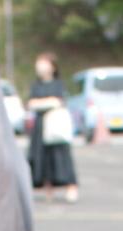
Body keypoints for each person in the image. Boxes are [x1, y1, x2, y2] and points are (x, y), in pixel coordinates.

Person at [26, 54, 78, 203]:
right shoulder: (36, 85)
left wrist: (42, 103)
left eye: (43, 63)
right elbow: (31, 103)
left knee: (61, 156)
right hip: (40, 127)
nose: (40, 66)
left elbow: (58, 101)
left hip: (55, 126)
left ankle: (71, 186)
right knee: (42, 158)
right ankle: (47, 188)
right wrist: (47, 102)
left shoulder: (58, 84)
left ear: (52, 66)